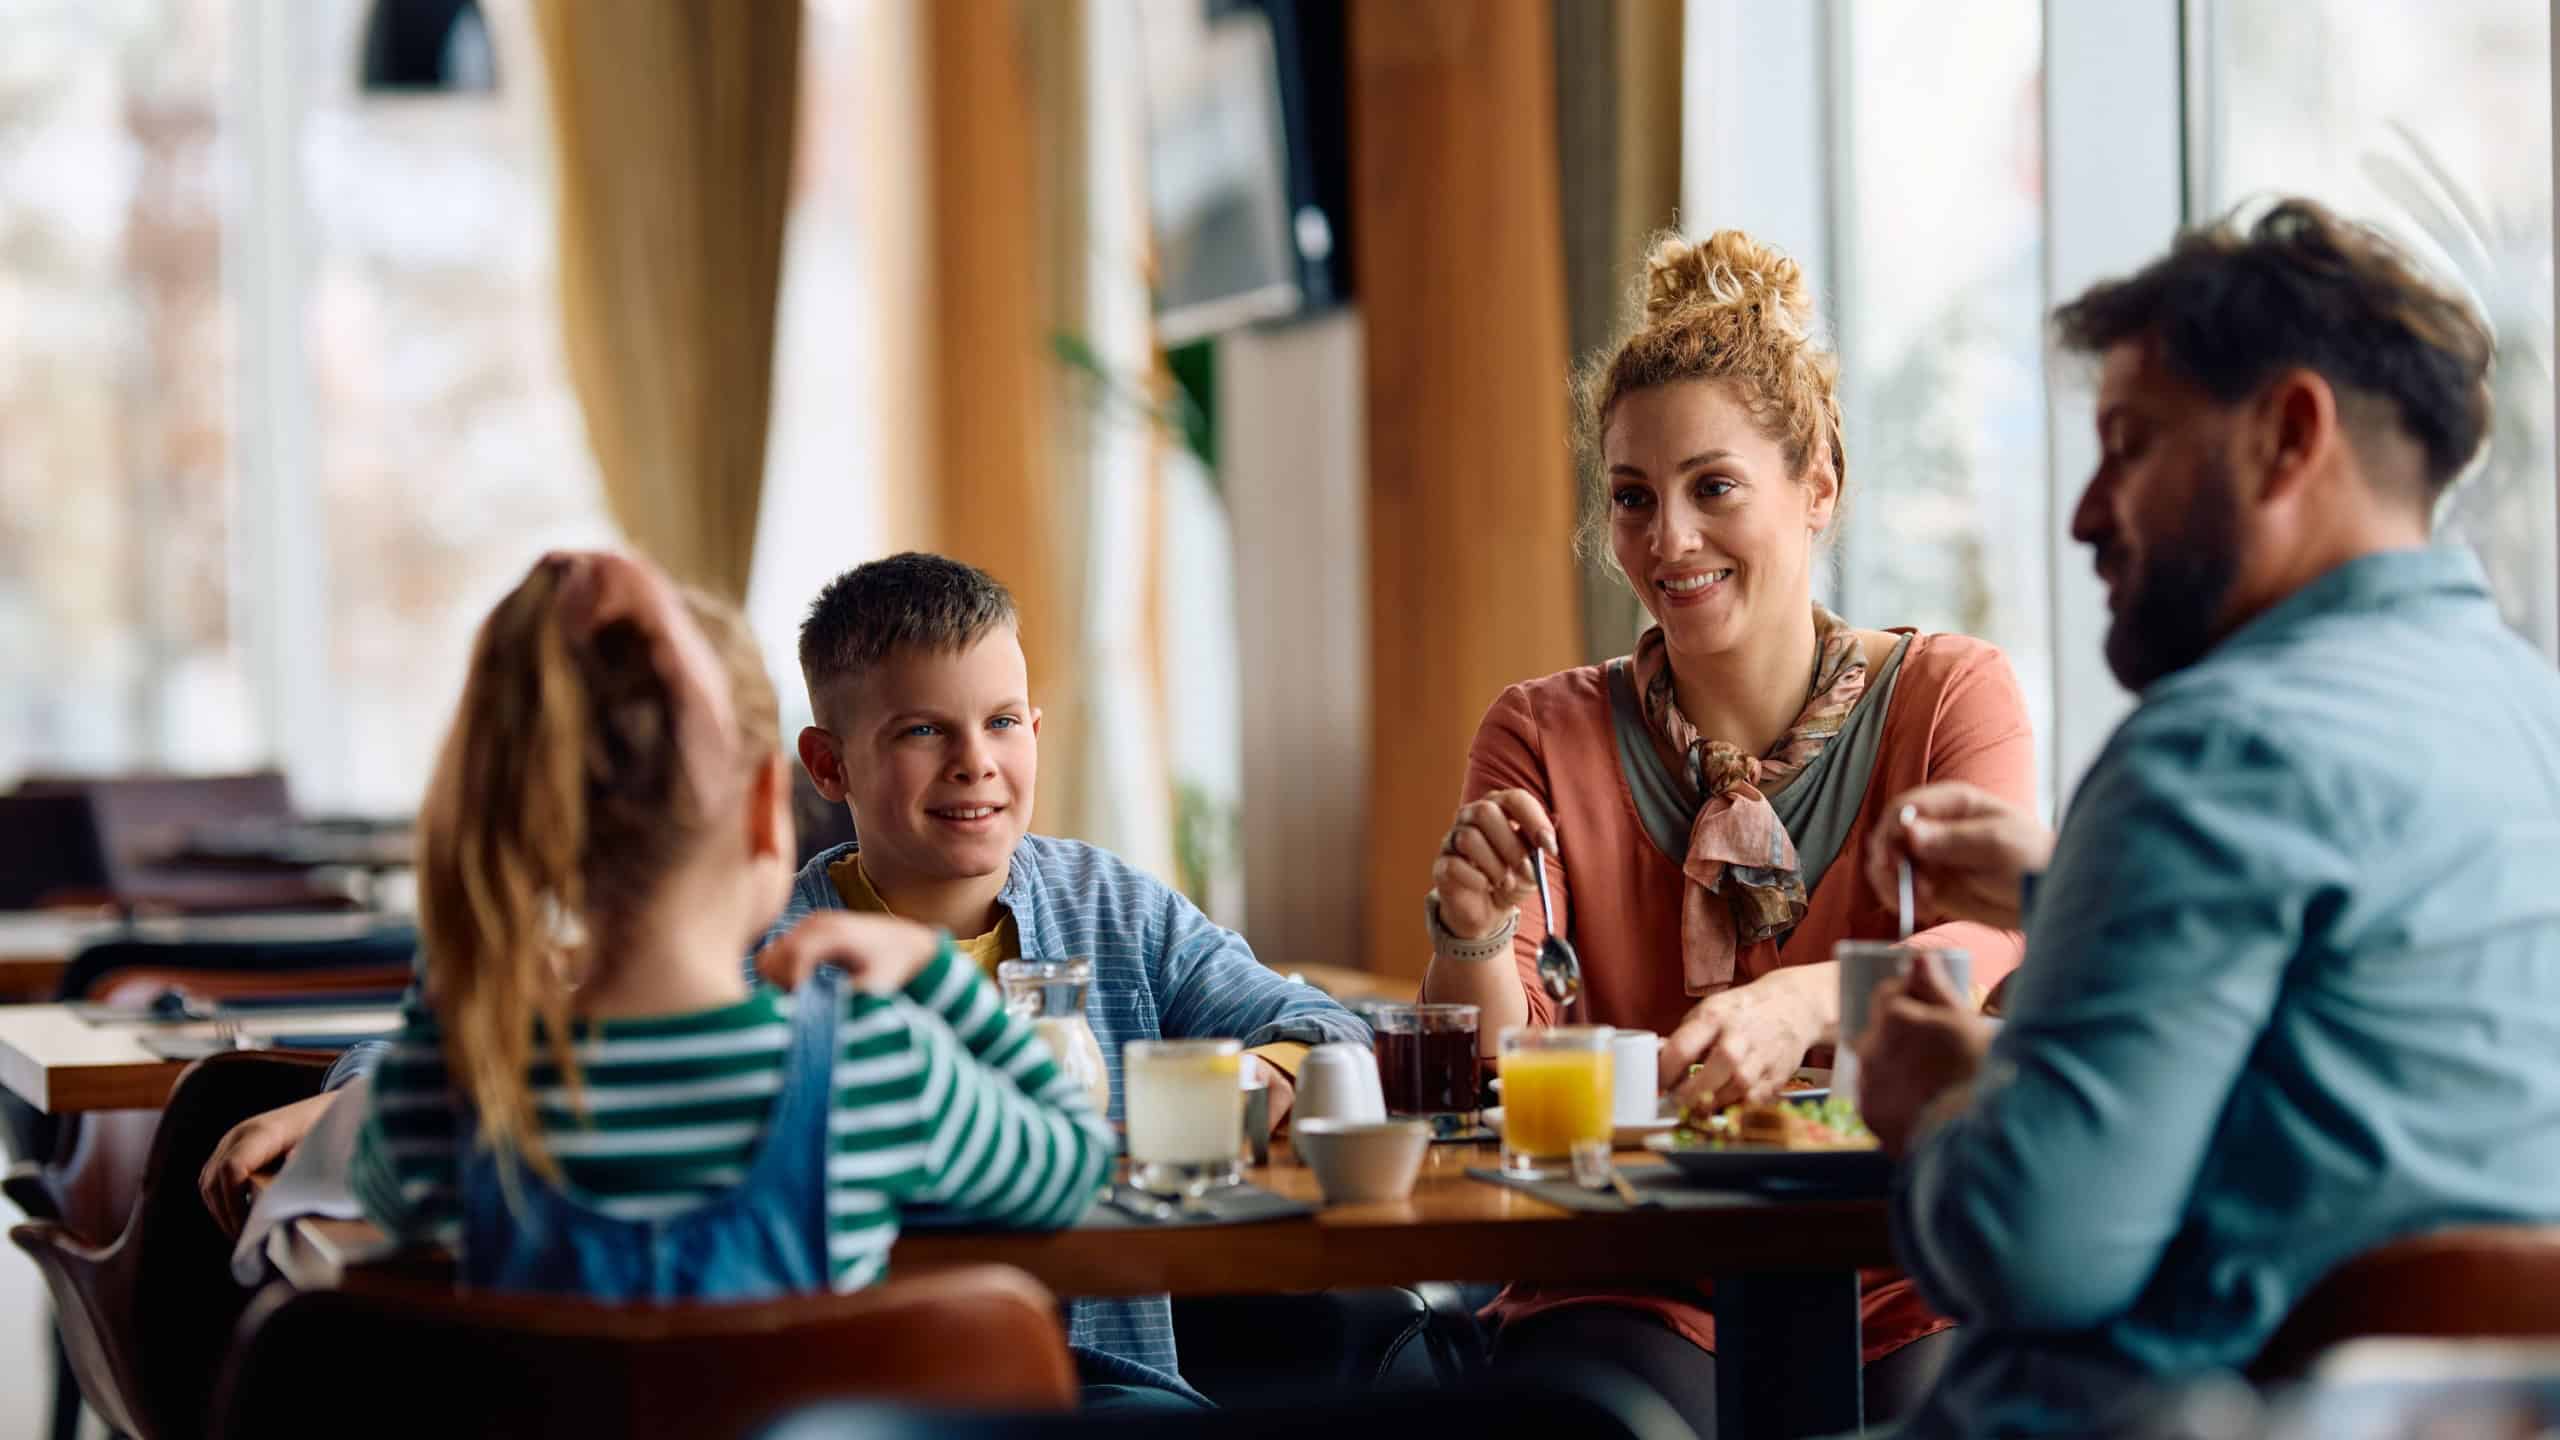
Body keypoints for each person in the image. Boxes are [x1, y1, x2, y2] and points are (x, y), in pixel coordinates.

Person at [1855, 197, 2560, 1438]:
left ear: (2287, 436)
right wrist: (2066, 891)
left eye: (2127, 445)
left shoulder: (2211, 749)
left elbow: (2035, 1250)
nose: (2083, 513)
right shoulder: (2526, 713)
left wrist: (1934, 1103)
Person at [1418, 228, 2035, 1434]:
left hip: (1903, 1269)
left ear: (1818, 486)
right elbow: (1496, 1071)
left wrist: (1805, 1002)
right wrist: (1470, 932)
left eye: (1714, 488)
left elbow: (1999, 933)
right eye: (1634, 500)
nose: (1668, 542)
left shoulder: (1952, 694)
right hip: (1626, 1270)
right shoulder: (1537, 732)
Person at [347, 552, 1112, 1298]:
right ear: (765, 810)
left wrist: (466, 941)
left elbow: (386, 1181)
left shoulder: (451, 1094)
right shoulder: (877, 1066)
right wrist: (933, 969)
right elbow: (1077, 1159)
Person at [747, 551, 1371, 1407]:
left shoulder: (1113, 907)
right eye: (923, 730)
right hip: (862, 1395)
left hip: (1107, 1386)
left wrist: (1268, 1073)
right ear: (828, 765)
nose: (975, 762)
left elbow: (1329, 1025)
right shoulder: (770, 950)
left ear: (1035, 733)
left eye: (1002, 721)